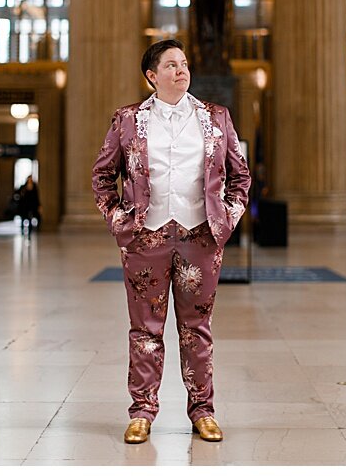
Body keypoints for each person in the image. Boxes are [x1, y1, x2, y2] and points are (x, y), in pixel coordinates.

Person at [92, 40, 250, 445]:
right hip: (145, 239)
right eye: (171, 65)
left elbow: (240, 177)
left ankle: (203, 411)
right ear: (151, 75)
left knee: (197, 328)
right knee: (145, 329)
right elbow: (102, 177)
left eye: (184, 63)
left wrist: (226, 221)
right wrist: (120, 223)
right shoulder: (128, 120)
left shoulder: (216, 118)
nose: (181, 71)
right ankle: (142, 411)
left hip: (200, 237)